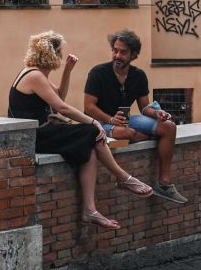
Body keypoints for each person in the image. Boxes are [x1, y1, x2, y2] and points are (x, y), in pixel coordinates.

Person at [8, 30, 153, 230]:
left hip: (39, 133)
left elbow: (59, 96)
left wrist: (67, 70)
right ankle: (123, 178)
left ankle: (90, 210)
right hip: (34, 136)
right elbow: (62, 108)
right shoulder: (34, 75)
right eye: (59, 52)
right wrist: (94, 122)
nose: (60, 56)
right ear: (51, 53)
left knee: (89, 148)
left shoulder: (35, 73)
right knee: (91, 132)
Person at [83, 30, 187, 205]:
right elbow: (88, 107)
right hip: (100, 122)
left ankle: (164, 183)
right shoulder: (98, 72)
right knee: (126, 133)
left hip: (126, 119)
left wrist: (157, 113)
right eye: (115, 50)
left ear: (134, 55)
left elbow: (145, 107)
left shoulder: (138, 76)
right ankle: (145, 136)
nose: (117, 55)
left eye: (123, 52)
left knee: (168, 126)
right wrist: (110, 119)